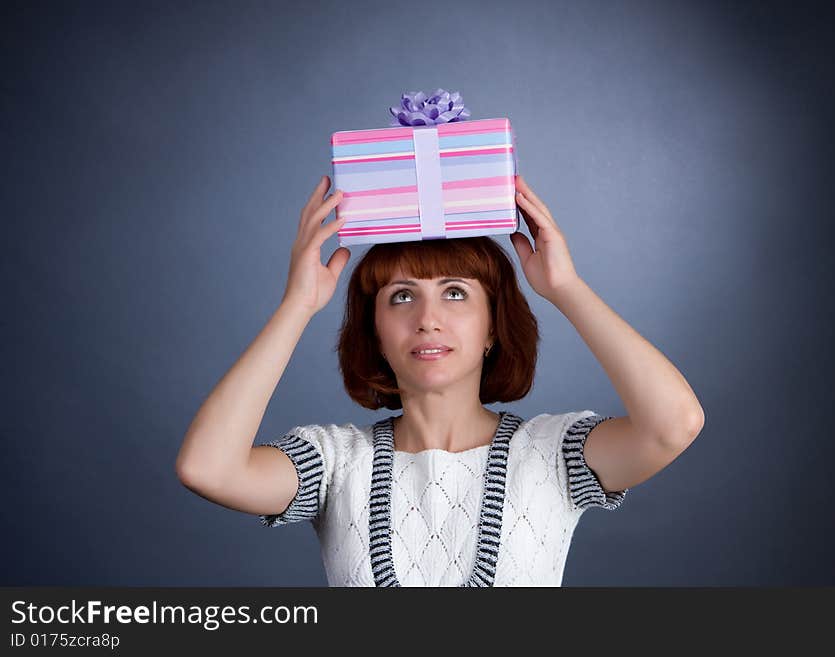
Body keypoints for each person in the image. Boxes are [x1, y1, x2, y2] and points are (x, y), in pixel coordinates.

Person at [175, 174, 705, 586]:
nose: (428, 318)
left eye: (455, 293)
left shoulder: (553, 452)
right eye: (401, 296)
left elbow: (673, 424)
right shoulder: (335, 463)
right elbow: (207, 468)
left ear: (493, 326)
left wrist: (565, 286)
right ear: (376, 332)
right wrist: (296, 306)